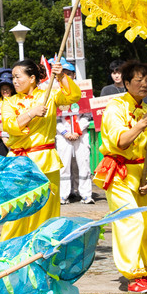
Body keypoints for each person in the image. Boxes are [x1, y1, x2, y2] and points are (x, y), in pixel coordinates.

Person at [92, 61, 147, 293]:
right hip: (119, 173)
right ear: (126, 83)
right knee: (129, 221)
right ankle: (132, 275)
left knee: (146, 223)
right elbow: (121, 142)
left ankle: (146, 268)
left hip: (140, 174)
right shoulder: (115, 106)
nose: (145, 84)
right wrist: (141, 125)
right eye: (139, 80)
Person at [0, 58, 81, 242]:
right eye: (13, 77)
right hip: (20, 162)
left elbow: (72, 96)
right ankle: (9, 250)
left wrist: (60, 76)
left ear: (32, 78)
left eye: (18, 77)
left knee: (47, 210)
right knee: (17, 209)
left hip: (46, 160)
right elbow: (10, 125)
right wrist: (31, 113)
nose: (15, 81)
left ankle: (44, 248)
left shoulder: (49, 96)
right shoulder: (9, 102)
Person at [56, 67, 92, 204]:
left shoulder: (83, 90)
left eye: (69, 74)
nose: (67, 76)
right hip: (62, 134)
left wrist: (78, 130)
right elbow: (54, 118)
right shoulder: (56, 91)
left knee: (83, 164)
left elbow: (88, 115)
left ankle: (85, 194)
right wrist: (65, 132)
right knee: (63, 165)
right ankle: (63, 194)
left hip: (80, 133)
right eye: (64, 74)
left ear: (74, 74)